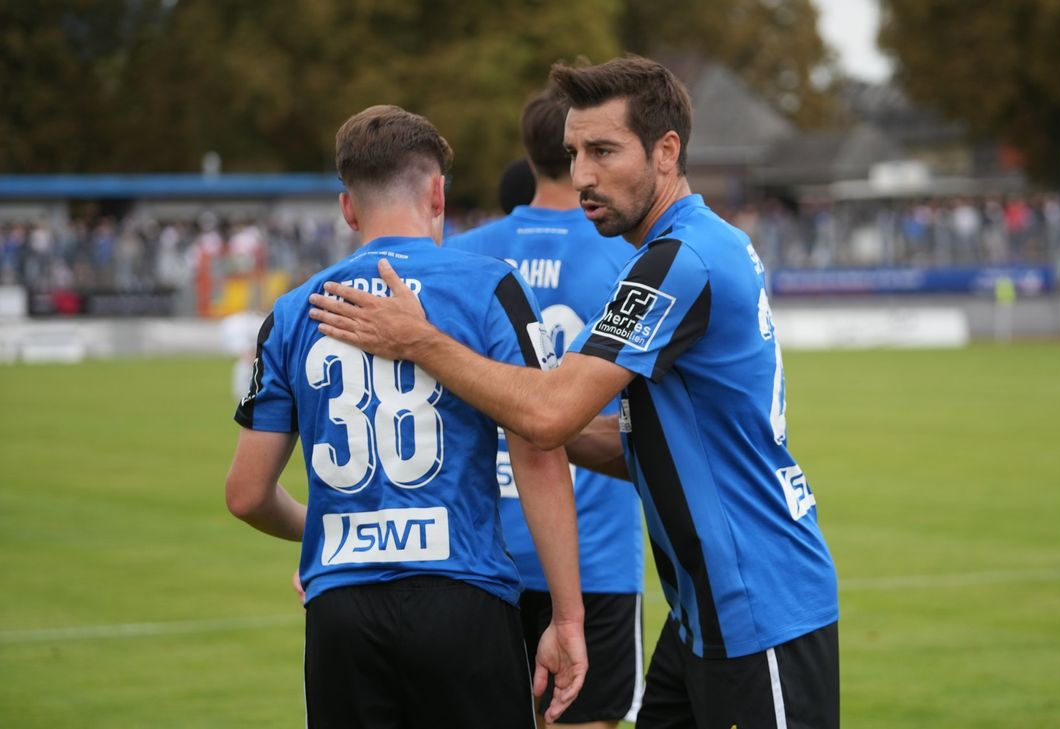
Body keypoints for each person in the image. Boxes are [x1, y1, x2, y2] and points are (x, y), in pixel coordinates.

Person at [309, 57, 840, 729]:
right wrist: (480, 408)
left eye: (603, 151)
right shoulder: (687, 246)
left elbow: (551, 412)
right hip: (705, 613)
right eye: (573, 153)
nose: (583, 174)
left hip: (760, 606)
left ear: (666, 151)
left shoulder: (680, 261)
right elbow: (636, 442)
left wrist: (421, 342)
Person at [225, 104, 587, 728]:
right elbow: (538, 452)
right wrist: (568, 616)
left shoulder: (292, 312)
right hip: (464, 597)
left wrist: (328, 532)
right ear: (438, 193)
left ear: (348, 208)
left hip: (342, 611)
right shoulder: (488, 286)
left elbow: (246, 494)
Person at [446, 88, 643, 729]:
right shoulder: (632, 256)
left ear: (529, 157)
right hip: (592, 556)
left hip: (476, 554)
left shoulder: (463, 256)